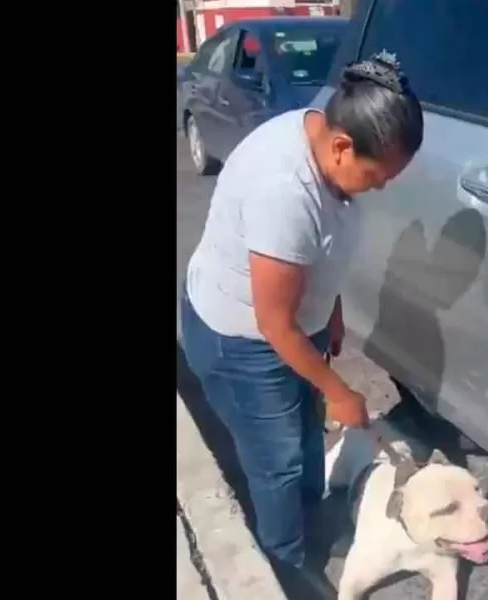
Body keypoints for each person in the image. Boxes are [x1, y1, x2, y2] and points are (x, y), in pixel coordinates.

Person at [179, 52, 424, 579]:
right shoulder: (284, 191)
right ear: (341, 146)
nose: (379, 187)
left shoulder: (320, 132)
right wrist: (340, 389)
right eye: (376, 176)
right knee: (279, 462)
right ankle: (286, 571)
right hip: (243, 341)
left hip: (294, 325)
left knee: (307, 433)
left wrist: (330, 310)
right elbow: (274, 324)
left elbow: (316, 256)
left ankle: (313, 527)